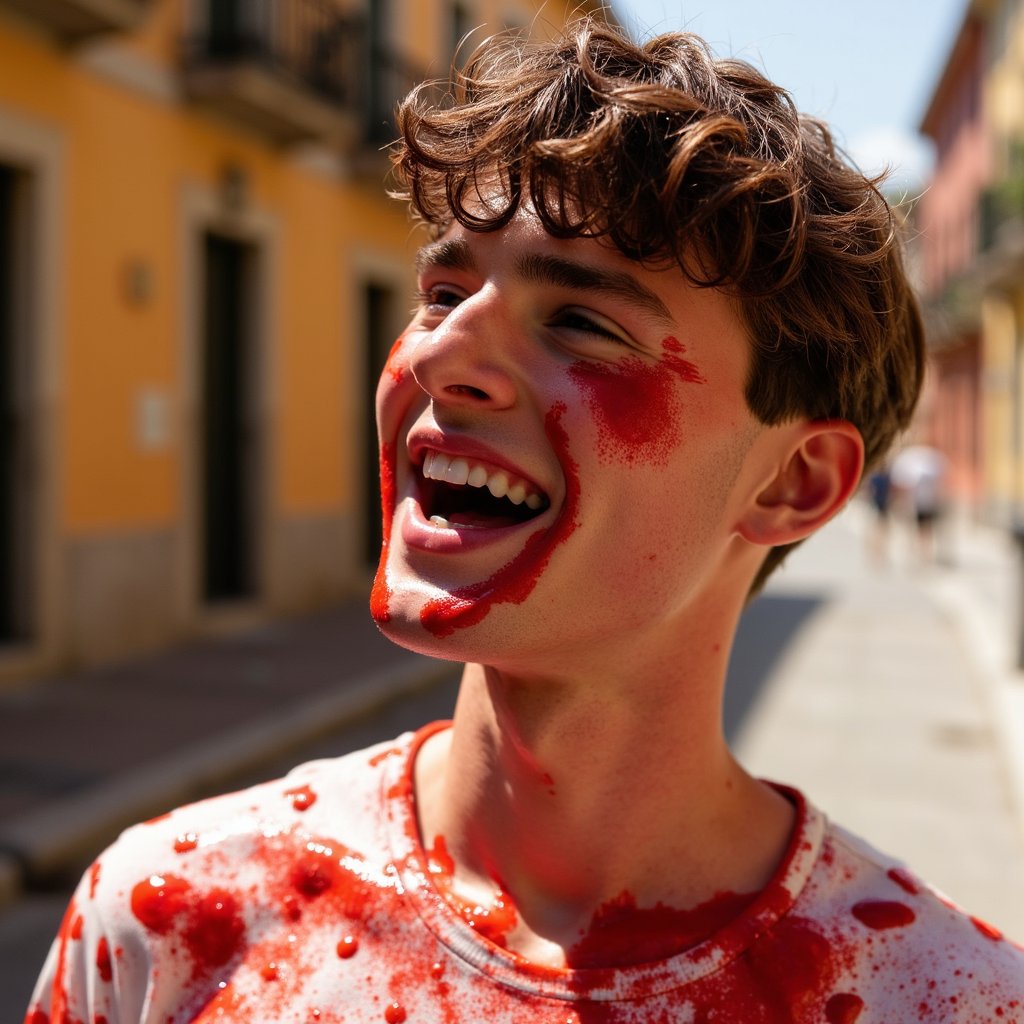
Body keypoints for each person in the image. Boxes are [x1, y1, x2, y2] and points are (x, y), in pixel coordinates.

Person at [26, 19, 1024, 1024]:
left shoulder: (942, 999)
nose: (434, 357)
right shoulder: (166, 918)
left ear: (794, 482)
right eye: (443, 292)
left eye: (583, 323)